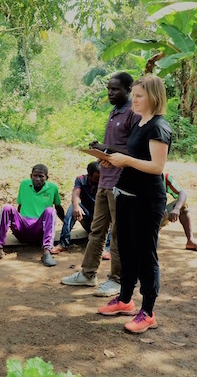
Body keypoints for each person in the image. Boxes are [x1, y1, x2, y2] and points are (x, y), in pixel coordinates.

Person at [97, 75, 172, 334]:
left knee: (145, 255)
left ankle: (148, 312)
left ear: (153, 97)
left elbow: (157, 167)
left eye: (139, 96)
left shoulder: (158, 127)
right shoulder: (140, 123)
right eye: (135, 95)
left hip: (147, 200)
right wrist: (113, 159)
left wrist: (125, 161)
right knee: (126, 250)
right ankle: (125, 300)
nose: (135, 100)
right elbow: (136, 155)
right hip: (126, 195)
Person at [61, 72, 141, 297]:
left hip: (121, 183)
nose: (110, 93)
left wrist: (107, 147)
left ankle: (117, 279)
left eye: (115, 89)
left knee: (119, 233)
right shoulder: (113, 112)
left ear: (128, 89)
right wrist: (101, 151)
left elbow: (134, 150)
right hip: (105, 180)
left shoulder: (132, 115)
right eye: (108, 89)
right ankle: (88, 274)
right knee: (97, 230)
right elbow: (115, 147)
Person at [0, 164, 65, 267]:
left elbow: (58, 208)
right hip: (22, 229)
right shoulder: (24, 184)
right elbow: (20, 206)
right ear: (31, 176)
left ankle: (47, 252)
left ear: (47, 177)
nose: (37, 179)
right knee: (6, 208)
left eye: (41, 176)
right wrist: (17, 221)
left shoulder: (52, 188)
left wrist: (66, 225)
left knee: (50, 211)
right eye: (35, 176)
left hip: (39, 230)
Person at [51, 162, 100, 254]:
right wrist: (76, 206)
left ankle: (107, 247)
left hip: (99, 219)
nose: (99, 180)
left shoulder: (104, 182)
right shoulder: (81, 179)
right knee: (72, 208)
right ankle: (64, 243)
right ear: (89, 175)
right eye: (96, 178)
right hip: (86, 216)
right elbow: (76, 193)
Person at [159, 173, 195, 250]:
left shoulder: (165, 177)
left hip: (159, 215)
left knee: (182, 204)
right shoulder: (136, 176)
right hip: (139, 218)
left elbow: (182, 193)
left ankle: (190, 240)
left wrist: (177, 208)